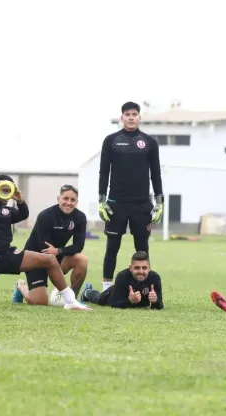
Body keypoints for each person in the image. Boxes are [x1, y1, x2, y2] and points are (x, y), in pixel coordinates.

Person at [0, 175, 90, 310]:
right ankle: (21, 287)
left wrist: (20, 200)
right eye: (2, 188)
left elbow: (23, 214)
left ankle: (70, 301)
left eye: (8, 188)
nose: (5, 191)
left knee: (50, 260)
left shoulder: (8, 211)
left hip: (7, 255)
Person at [98, 101, 164, 293]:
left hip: (142, 205)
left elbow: (156, 173)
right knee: (112, 247)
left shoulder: (149, 142)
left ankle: (145, 288)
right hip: (116, 204)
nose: (131, 117)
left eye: (134, 114)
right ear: (122, 118)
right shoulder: (111, 141)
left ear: (139, 118)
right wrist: (102, 199)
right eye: (127, 114)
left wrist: (159, 201)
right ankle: (106, 288)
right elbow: (103, 172)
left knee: (142, 248)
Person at [11, 184, 89, 306]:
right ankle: (21, 287)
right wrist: (55, 253)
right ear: (59, 199)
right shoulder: (45, 216)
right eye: (65, 198)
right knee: (40, 302)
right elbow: (45, 248)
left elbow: (78, 246)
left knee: (82, 260)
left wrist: (58, 251)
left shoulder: (80, 217)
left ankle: (72, 299)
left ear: (76, 202)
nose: (69, 202)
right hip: (36, 257)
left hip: (56, 254)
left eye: (72, 200)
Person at [80, 251, 163, 309]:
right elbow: (113, 304)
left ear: (149, 268)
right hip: (114, 293)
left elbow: (159, 306)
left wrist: (155, 301)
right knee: (99, 299)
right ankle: (87, 292)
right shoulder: (122, 276)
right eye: (137, 268)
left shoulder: (155, 278)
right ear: (130, 268)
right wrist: (129, 300)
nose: (141, 271)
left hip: (135, 302)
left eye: (144, 268)